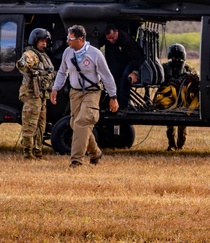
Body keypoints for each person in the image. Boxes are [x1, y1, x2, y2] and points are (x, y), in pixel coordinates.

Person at [50, 25, 119, 168]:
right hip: (75, 93)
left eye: (70, 38)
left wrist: (113, 96)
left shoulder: (95, 54)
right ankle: (95, 153)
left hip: (92, 92)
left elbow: (106, 76)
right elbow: (62, 72)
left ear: (80, 39)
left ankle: (76, 161)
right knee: (75, 124)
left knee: (83, 121)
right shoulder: (67, 52)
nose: (67, 41)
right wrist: (55, 88)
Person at [16, 27, 55, 160]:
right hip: (32, 95)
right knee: (30, 124)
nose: (44, 43)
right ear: (35, 41)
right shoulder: (31, 54)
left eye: (45, 41)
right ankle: (28, 152)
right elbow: (23, 63)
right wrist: (22, 63)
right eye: (41, 41)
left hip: (42, 95)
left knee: (40, 125)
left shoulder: (43, 56)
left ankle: (38, 151)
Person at [162, 43, 198, 151]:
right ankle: (172, 145)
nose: (176, 60)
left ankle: (179, 146)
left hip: (183, 99)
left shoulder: (188, 68)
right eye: (174, 57)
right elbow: (164, 81)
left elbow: (196, 78)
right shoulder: (166, 67)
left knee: (182, 124)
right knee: (170, 124)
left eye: (177, 57)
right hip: (171, 98)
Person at [101, 23, 144, 109]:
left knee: (125, 79)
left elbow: (138, 57)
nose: (111, 41)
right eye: (109, 39)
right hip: (121, 60)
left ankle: (123, 107)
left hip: (133, 60)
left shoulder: (126, 40)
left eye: (113, 38)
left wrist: (134, 72)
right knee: (113, 78)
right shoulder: (110, 41)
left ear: (117, 32)